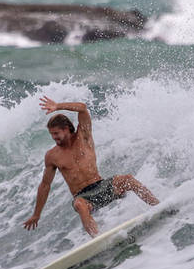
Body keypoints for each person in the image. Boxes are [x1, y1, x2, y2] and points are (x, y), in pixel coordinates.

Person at [23, 96, 158, 237]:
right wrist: (36, 215)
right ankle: (98, 239)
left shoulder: (84, 135)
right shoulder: (52, 156)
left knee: (128, 179)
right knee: (80, 205)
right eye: (52, 134)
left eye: (56, 133)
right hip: (84, 197)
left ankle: (157, 206)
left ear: (66, 129)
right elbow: (45, 185)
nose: (54, 137)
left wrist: (58, 106)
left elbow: (82, 108)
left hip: (101, 185)